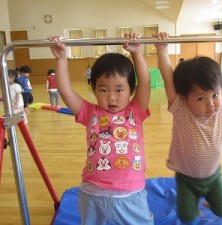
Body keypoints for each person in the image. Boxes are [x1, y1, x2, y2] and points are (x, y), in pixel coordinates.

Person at [48, 33, 153, 225]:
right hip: (93, 194)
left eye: (119, 90)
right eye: (103, 90)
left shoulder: (135, 111)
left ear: (131, 90)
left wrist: (137, 54)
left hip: (130, 195)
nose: (111, 97)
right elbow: (65, 90)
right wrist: (61, 59)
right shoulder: (90, 112)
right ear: (94, 89)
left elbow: (145, 82)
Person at [155, 31, 222, 225]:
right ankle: (193, 202)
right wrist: (162, 50)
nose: (211, 104)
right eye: (201, 98)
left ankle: (208, 200)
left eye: (214, 95)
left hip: (214, 177)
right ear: (185, 98)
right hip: (186, 180)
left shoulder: (221, 107)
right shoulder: (181, 109)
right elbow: (168, 78)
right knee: (186, 217)